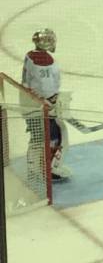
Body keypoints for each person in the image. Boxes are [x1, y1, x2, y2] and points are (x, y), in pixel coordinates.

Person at [18, 30, 64, 190]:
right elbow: (34, 84)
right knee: (44, 136)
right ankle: (39, 169)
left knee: (49, 135)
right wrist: (46, 100)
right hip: (37, 106)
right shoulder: (37, 59)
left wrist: (53, 99)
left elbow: (51, 83)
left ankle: (43, 168)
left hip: (41, 105)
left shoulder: (39, 58)